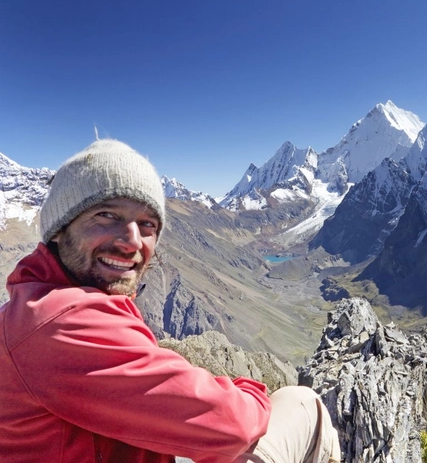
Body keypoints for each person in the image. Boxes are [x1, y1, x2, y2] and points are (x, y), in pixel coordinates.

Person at [0, 139, 341, 463]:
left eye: (147, 223)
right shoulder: (60, 320)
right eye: (106, 215)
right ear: (59, 229)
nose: (132, 241)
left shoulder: (31, 305)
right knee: (303, 404)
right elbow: (233, 425)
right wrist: (248, 391)